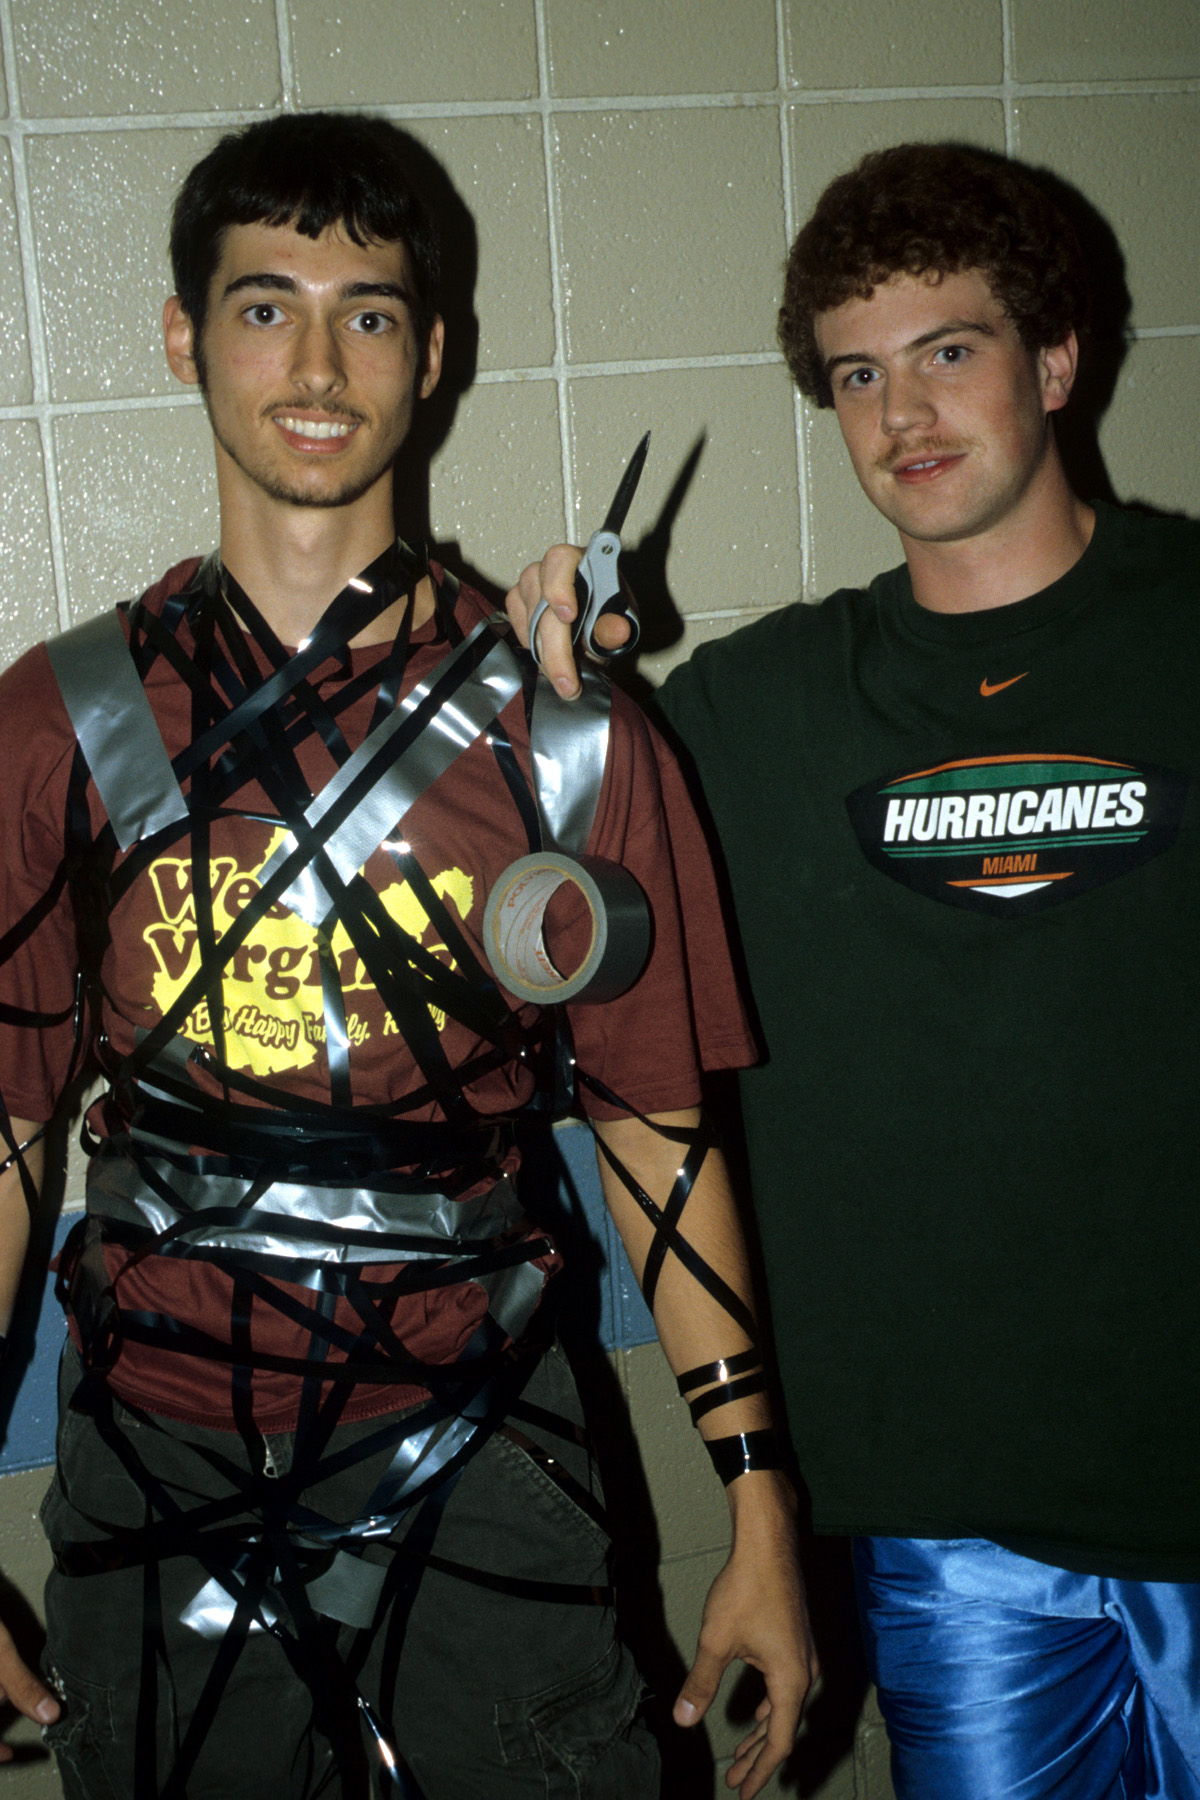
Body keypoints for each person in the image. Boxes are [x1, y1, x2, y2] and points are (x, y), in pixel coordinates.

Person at [0, 110, 815, 1799]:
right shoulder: (58, 724)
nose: (317, 366)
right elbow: (6, 1137)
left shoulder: (565, 738)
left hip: (480, 1460)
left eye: (367, 313)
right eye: (264, 306)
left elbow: (658, 1137)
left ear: (431, 357)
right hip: (152, 1461)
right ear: (182, 336)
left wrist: (757, 1502)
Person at [508, 141, 1200, 1799]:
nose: (904, 415)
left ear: (1056, 360)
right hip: (957, 1532)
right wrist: (552, 691)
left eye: (948, 351)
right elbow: (540, 879)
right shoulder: (754, 713)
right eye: (858, 376)